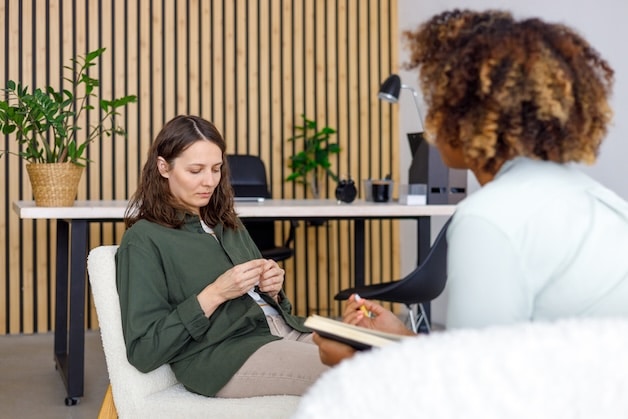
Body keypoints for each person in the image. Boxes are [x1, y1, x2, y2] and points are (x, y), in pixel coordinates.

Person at [314, 9, 628, 366]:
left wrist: (356, 365)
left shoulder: (489, 219)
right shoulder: (597, 199)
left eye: (440, 105)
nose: (431, 123)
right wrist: (400, 341)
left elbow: (471, 396)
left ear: (470, 117)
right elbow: (493, 361)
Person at [116, 115, 329, 397]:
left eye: (216, 169)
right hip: (227, 355)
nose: (209, 181)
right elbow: (143, 350)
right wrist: (216, 293)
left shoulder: (227, 223)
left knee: (380, 356)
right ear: (163, 167)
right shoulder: (144, 239)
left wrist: (274, 291)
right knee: (354, 374)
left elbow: (270, 306)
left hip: (280, 330)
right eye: (195, 171)